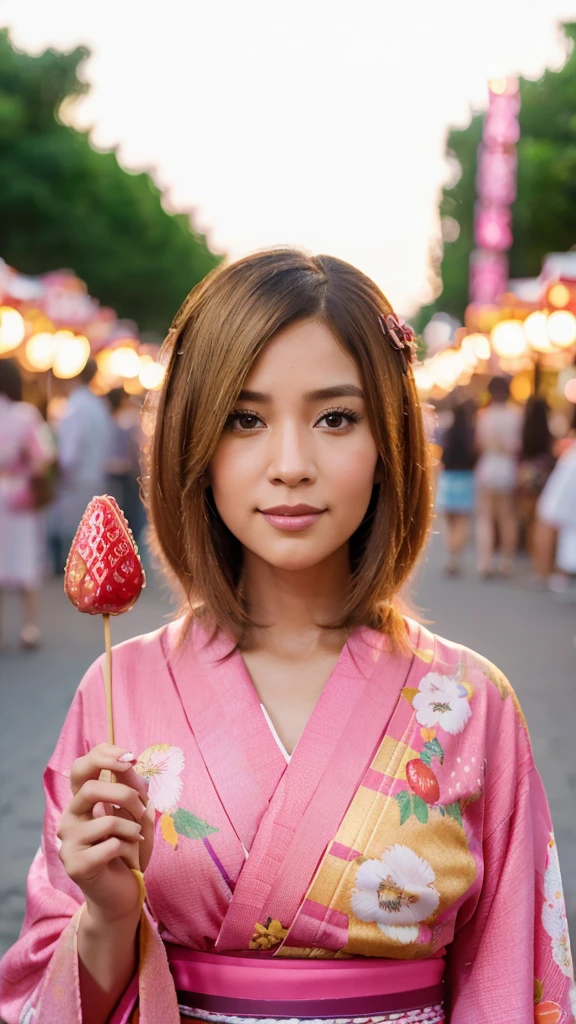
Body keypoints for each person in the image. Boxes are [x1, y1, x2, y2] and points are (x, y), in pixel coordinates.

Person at [0, 250, 574, 1024]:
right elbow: (46, 985)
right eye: (246, 419)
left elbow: (515, 980)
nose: (292, 465)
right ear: (194, 444)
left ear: (388, 443)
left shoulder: (473, 702)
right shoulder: (117, 690)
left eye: (336, 417)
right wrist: (106, 918)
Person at [0, 358, 55, 648]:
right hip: (17, 497)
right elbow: (43, 456)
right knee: (24, 559)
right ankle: (29, 626)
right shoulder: (25, 415)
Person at [48, 358, 113, 572]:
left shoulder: (76, 406)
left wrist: (61, 471)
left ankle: (75, 574)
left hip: (77, 479)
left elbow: (72, 450)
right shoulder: (97, 404)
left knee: (75, 530)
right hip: (94, 475)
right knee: (90, 531)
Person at [474, 375, 523, 578]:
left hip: (488, 465)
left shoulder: (484, 415)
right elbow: (519, 445)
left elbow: (479, 443)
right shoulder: (516, 415)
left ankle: (485, 562)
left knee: (485, 516)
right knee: (507, 516)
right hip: (507, 467)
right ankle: (506, 561)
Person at [516, 396, 556, 576]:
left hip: (527, 475)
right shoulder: (548, 432)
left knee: (528, 518)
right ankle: (540, 562)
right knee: (540, 519)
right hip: (544, 475)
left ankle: (535, 559)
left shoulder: (525, 429)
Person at [435, 399, 476, 575]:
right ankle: (456, 555)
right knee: (462, 520)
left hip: (449, 477)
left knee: (450, 521)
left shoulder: (447, 432)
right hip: (466, 478)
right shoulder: (472, 433)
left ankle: (452, 555)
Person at [105, 388, 146, 542]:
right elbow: (138, 447)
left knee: (118, 511)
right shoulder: (130, 418)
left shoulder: (110, 419)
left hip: (113, 472)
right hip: (128, 472)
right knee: (130, 513)